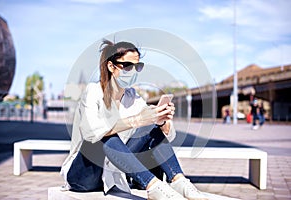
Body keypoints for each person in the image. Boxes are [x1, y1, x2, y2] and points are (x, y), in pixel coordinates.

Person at [60, 40, 208, 200]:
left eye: (137, 66)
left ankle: (179, 181)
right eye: (127, 66)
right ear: (111, 66)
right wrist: (136, 120)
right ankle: (154, 187)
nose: (133, 71)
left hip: (115, 172)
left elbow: (165, 135)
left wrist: (162, 121)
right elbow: (91, 134)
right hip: (84, 175)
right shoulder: (93, 92)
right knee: (105, 134)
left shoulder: (133, 97)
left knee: (150, 129)